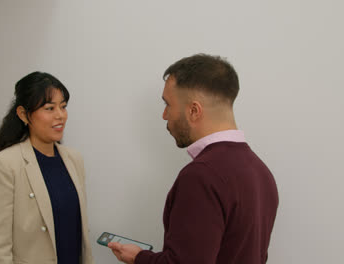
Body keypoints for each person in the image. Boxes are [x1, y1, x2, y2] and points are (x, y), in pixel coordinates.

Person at [108, 54, 279, 264]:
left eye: (167, 104)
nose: (164, 115)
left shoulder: (202, 176)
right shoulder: (261, 172)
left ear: (194, 111)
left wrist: (139, 258)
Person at [0, 72, 94, 264]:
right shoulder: (5, 164)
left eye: (63, 107)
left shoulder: (74, 159)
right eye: (49, 108)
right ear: (23, 115)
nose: (60, 115)